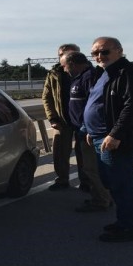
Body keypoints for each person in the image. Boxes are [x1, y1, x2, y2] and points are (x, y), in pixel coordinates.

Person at [84, 37, 133, 242]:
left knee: (120, 184)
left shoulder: (129, 73)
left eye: (104, 52)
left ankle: (129, 228)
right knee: (112, 182)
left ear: (119, 51)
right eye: (95, 53)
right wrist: (90, 129)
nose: (99, 57)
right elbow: (100, 104)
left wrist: (116, 134)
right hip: (100, 136)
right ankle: (130, 220)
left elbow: (132, 107)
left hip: (114, 139)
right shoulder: (105, 73)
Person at [61, 51, 113, 212]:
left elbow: (95, 104)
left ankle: (102, 200)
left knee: (92, 168)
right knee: (90, 167)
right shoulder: (80, 77)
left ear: (72, 63)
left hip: (90, 131)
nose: (63, 70)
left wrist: (86, 128)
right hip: (84, 130)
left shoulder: (90, 76)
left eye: (64, 66)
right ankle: (102, 197)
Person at [43, 43, 90, 191]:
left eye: (70, 53)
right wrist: (52, 118)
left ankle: (86, 181)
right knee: (60, 152)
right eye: (61, 54)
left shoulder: (89, 71)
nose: (65, 56)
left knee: (84, 153)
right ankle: (62, 180)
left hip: (84, 120)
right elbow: (47, 97)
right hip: (62, 120)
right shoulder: (54, 73)